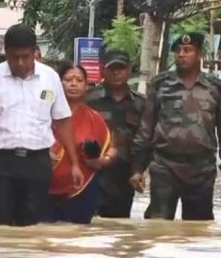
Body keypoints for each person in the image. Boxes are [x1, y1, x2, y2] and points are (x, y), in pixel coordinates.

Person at [0, 24, 83, 227]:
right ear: (5, 53)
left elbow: (62, 122)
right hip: (0, 164)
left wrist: (74, 164)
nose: (19, 62)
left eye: (25, 56)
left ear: (35, 52)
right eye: (13, 57)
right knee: (0, 227)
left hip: (38, 162)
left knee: (31, 228)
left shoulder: (50, 78)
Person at [131, 32, 221, 221]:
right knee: (159, 224)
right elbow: (146, 128)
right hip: (165, 166)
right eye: (178, 51)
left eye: (187, 50)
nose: (181, 54)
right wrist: (138, 168)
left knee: (198, 229)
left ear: (200, 54)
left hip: (202, 169)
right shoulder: (161, 83)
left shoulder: (215, 87)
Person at [45, 64, 117, 224]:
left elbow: (111, 148)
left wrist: (101, 161)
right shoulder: (43, 114)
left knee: (77, 239)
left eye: (79, 80)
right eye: (68, 79)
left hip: (82, 187)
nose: (73, 84)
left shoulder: (94, 118)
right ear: (59, 83)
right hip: (43, 185)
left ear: (86, 85)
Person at [86, 50, 144, 218]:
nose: (117, 72)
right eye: (112, 68)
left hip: (124, 176)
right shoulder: (89, 100)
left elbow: (145, 140)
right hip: (93, 173)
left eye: (121, 68)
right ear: (103, 70)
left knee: (119, 228)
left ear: (129, 69)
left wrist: (139, 170)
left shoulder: (140, 103)